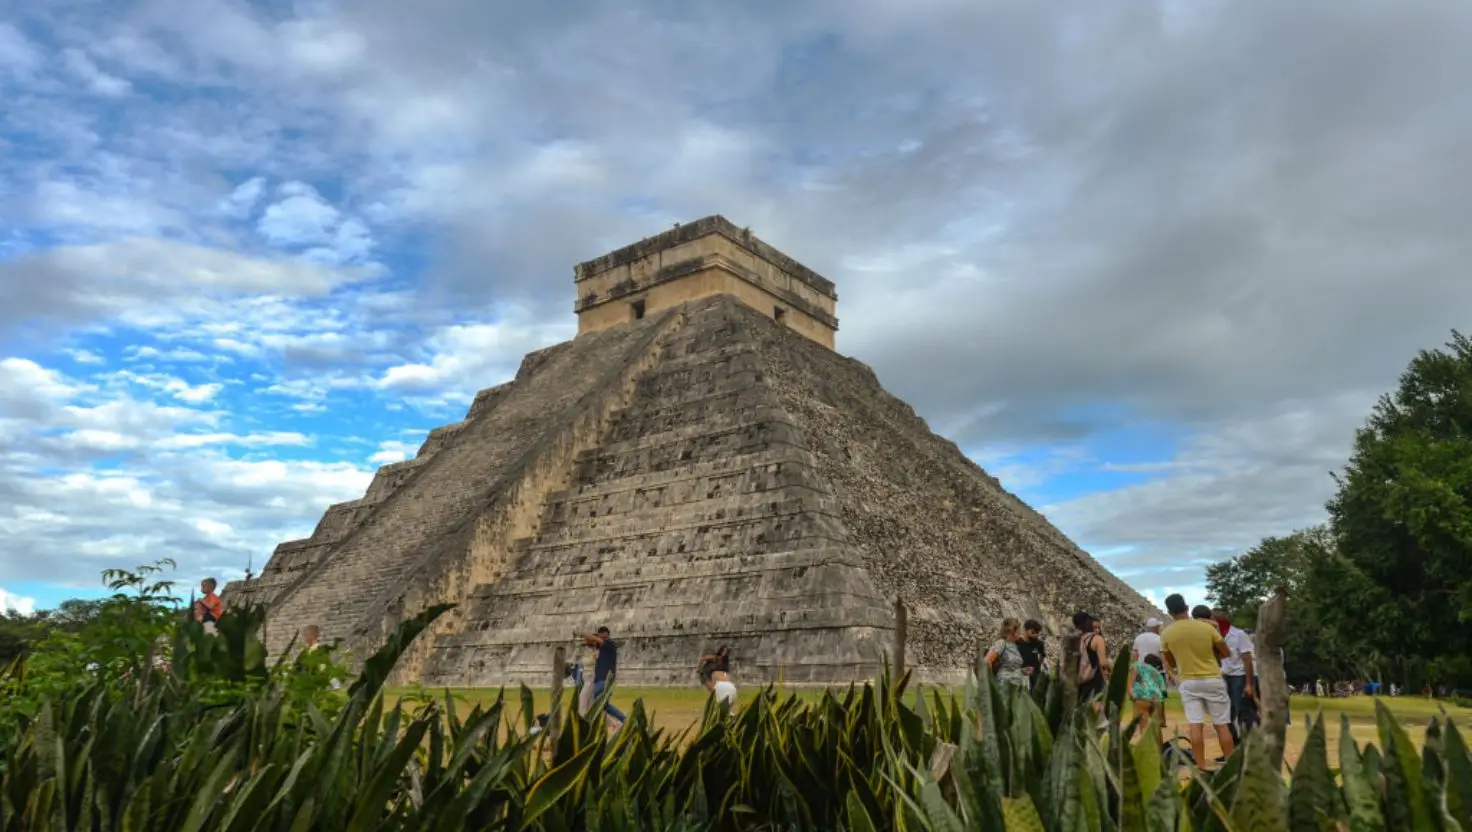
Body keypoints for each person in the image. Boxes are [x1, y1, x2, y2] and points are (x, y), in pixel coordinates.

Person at [1160, 594, 1235, 768]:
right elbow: (1226, 652)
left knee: (1195, 724)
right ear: (1187, 607)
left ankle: (1200, 766)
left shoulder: (1166, 633)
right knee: (1221, 724)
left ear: (1170, 612)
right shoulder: (1206, 628)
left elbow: (1171, 662)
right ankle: (1231, 765)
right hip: (1212, 677)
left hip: (1188, 681)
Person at [1213, 609, 1255, 741]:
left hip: (1238, 676)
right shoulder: (1213, 635)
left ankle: (1248, 742)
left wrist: (1249, 684)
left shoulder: (1239, 634)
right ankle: (1233, 743)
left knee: (1242, 710)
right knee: (1225, 713)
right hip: (1223, 676)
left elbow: (1247, 659)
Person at [575, 626, 627, 726]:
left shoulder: (609, 643)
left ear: (606, 634)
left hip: (604, 679)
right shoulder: (601, 649)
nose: (600, 638)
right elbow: (592, 641)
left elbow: (595, 639)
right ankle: (621, 721)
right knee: (604, 705)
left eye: (602, 635)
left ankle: (590, 722)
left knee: (594, 702)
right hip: (599, 680)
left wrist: (582, 633)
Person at [1074, 611, 1110, 703]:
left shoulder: (1078, 638)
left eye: (1099, 628)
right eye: (1095, 627)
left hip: (1077, 680)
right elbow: (1103, 663)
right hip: (1093, 680)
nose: (1097, 630)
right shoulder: (1098, 639)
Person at [983, 617, 1029, 689]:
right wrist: (991, 682)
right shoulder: (1001, 643)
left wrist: (1022, 671)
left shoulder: (1016, 646)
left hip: (1015, 686)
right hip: (1003, 685)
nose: (1020, 633)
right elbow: (987, 661)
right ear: (1012, 631)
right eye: (1018, 631)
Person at [1128, 653, 1169, 728]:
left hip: (1142, 695)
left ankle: (1136, 722)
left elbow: (1131, 682)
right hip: (1156, 697)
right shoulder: (1157, 673)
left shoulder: (1137, 666)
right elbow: (1163, 690)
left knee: (1143, 722)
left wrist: (1131, 694)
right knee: (1155, 726)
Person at [1017, 620, 1046, 690]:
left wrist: (1037, 667)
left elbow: (1042, 656)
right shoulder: (1017, 643)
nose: (1035, 635)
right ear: (1025, 630)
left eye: (1037, 633)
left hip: (1034, 676)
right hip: (1020, 675)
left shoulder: (1039, 643)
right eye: (1032, 632)